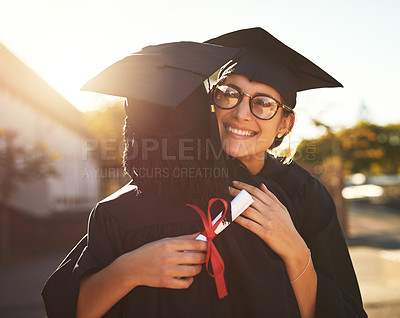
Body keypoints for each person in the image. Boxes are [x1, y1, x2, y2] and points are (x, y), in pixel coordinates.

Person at [42, 28, 368, 318]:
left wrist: (296, 252)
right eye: (229, 93)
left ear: (285, 123)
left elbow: (344, 309)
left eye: (264, 103)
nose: (241, 114)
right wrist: (129, 269)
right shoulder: (162, 188)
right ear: (210, 102)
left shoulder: (301, 193)